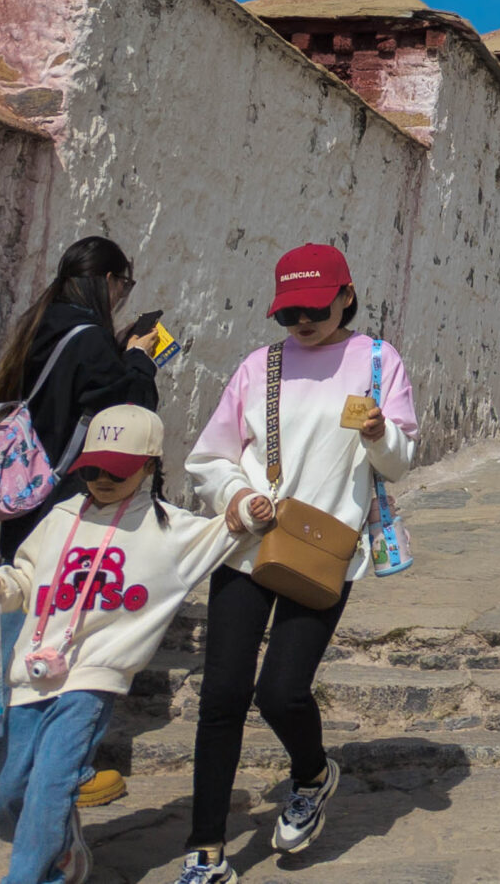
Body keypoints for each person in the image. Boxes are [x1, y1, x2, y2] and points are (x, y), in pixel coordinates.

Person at [175, 244, 417, 884]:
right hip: (250, 543)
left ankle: (312, 773)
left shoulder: (375, 360)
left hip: (327, 546)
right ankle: (207, 854)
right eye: (289, 313)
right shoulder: (263, 366)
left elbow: (399, 460)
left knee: (281, 691)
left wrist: (376, 434)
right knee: (222, 695)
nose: (302, 322)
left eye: (314, 308)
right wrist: (236, 496)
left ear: (346, 296)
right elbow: (211, 456)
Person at [0, 407, 239, 884]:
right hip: (30, 674)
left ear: (150, 466)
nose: (102, 479)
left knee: (51, 786)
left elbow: (230, 530)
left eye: (117, 469)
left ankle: (34, 875)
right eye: (92, 469)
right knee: (4, 794)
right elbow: (27, 577)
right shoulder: (62, 516)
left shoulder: (170, 529)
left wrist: (252, 509)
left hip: (91, 678)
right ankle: (60, 846)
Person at [0, 235, 163, 809]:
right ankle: (63, 772)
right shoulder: (90, 339)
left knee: (11, 635)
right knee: (61, 646)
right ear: (106, 280)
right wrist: (141, 358)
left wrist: (117, 350)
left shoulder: (43, 327)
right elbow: (128, 410)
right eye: (123, 285)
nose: (123, 296)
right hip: (67, 507)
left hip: (24, 504)